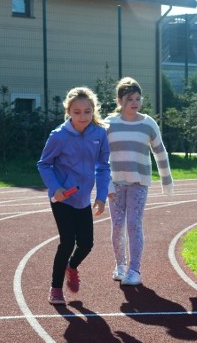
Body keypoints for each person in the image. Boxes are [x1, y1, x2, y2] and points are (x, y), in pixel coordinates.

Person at [38, 87, 110, 305]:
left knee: (86, 244)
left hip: (83, 199)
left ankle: (72, 265)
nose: (83, 117)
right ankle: (56, 288)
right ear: (69, 111)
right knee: (67, 241)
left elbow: (103, 166)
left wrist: (101, 195)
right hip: (62, 198)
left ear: (94, 110)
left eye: (87, 111)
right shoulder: (59, 136)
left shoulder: (99, 133)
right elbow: (44, 164)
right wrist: (55, 188)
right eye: (77, 112)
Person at [105, 77, 173, 287]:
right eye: (129, 99)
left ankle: (135, 270)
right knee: (117, 226)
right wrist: (104, 183)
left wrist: (166, 180)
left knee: (133, 224)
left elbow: (159, 151)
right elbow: (99, 156)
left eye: (137, 98)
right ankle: (120, 265)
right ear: (119, 100)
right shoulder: (109, 124)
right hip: (115, 183)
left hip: (139, 183)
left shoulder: (148, 123)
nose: (134, 102)